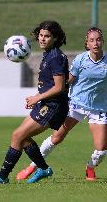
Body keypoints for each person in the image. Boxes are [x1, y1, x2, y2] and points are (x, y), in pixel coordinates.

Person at [0, 20, 69, 184]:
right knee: (21, 136)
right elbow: (50, 85)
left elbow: (59, 87)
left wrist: (37, 98)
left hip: (53, 106)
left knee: (18, 135)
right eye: (41, 35)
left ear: (55, 38)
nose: (42, 39)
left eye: (47, 36)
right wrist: (37, 97)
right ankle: (43, 169)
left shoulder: (55, 57)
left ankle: (2, 177)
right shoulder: (49, 54)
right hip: (46, 103)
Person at [16, 27, 107, 182]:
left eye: (98, 39)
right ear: (87, 43)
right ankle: (32, 167)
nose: (95, 43)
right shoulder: (80, 60)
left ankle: (90, 167)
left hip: (99, 109)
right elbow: (66, 82)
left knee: (101, 150)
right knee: (57, 138)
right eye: (92, 40)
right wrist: (43, 97)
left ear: (102, 41)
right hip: (76, 104)